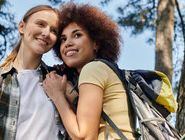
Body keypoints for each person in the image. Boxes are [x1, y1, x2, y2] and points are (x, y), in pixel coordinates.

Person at [0, 5, 63, 140]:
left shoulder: (59, 80)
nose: (47, 33)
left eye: (54, 31)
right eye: (41, 24)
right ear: (21, 27)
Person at [42, 3, 136, 140]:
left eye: (77, 35)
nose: (68, 43)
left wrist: (57, 95)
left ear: (96, 43)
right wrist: (71, 94)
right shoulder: (104, 69)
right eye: (63, 39)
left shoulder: (92, 69)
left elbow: (84, 136)